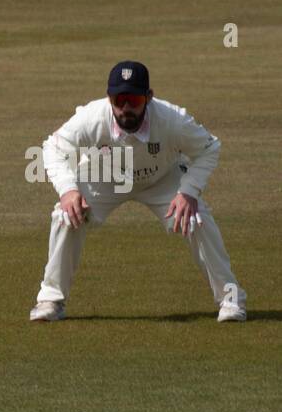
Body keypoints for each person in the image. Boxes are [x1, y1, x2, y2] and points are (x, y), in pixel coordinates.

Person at [30, 61, 246, 322]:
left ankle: (231, 299)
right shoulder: (91, 117)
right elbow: (52, 148)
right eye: (119, 99)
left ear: (149, 97)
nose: (126, 108)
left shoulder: (173, 120)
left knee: (196, 216)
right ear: (109, 98)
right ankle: (51, 301)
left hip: (162, 177)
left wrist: (188, 191)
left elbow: (209, 148)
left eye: (133, 99)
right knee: (66, 215)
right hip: (104, 176)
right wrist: (68, 190)